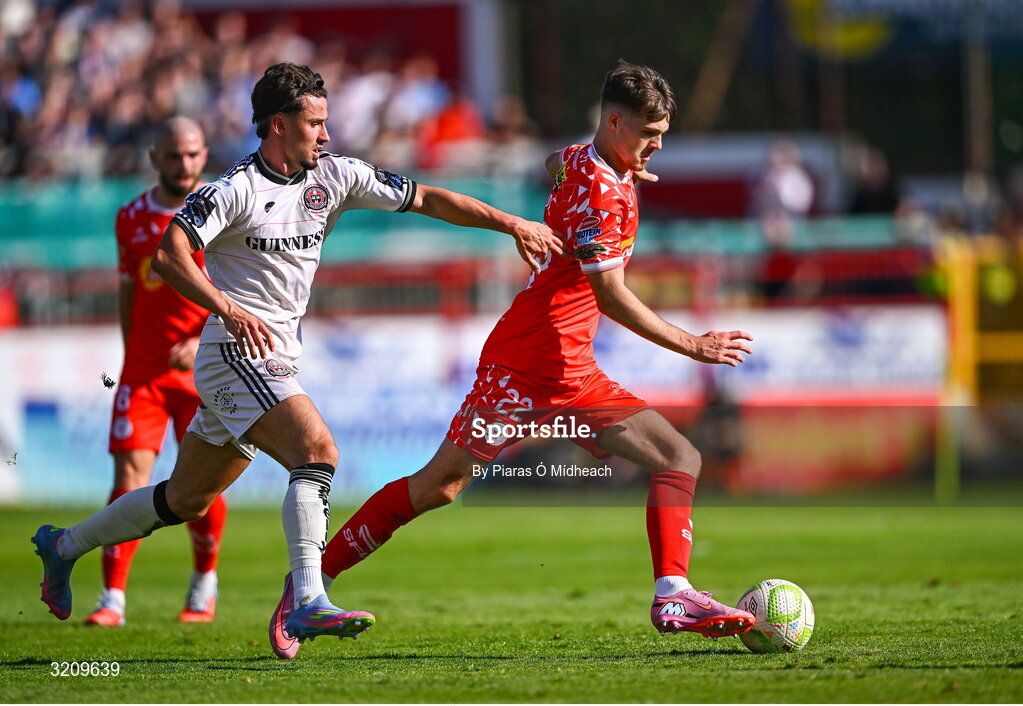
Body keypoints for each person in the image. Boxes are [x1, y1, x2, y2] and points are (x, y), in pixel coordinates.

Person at [32, 62, 563, 645]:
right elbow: (169, 255)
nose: (327, 135)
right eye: (316, 124)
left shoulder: (334, 177)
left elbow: (429, 199)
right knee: (318, 451)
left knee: (183, 499)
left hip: (275, 353)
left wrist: (512, 222)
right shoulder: (234, 190)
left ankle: (64, 545)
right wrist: (229, 308)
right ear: (279, 125)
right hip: (236, 352)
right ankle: (308, 597)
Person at [268, 61, 755, 660]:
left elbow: (556, 162)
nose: (658, 146)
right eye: (650, 134)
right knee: (439, 487)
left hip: (573, 371)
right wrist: (694, 345)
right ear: (616, 121)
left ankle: (673, 594)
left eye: (662, 135)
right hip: (523, 366)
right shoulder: (603, 191)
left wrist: (618, 169)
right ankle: (308, 585)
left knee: (678, 456)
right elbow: (611, 295)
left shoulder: (587, 160)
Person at [87, 117, 227, 627]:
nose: (185, 165)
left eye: (193, 155)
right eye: (175, 156)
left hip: (206, 371)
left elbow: (243, 288)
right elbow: (129, 289)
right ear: (154, 159)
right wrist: (132, 359)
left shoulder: (222, 212)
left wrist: (203, 339)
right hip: (144, 373)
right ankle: (112, 599)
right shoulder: (131, 218)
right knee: (128, 478)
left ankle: (203, 583)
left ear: (204, 153)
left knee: (201, 486)